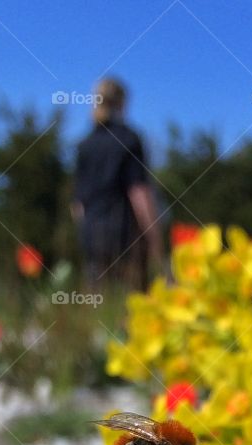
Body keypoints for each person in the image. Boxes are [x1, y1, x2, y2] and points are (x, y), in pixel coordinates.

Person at [72, 78, 163, 291]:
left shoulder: (84, 145)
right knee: (132, 306)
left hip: (91, 236)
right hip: (125, 236)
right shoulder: (129, 139)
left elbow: (78, 205)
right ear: (122, 103)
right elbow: (138, 192)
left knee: (98, 304)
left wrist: (86, 233)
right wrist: (155, 238)